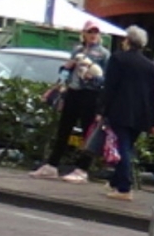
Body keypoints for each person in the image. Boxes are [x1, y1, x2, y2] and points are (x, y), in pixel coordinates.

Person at [32, 24, 110, 180]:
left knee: (87, 133)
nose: (93, 35)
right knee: (63, 129)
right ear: (84, 34)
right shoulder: (77, 51)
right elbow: (66, 73)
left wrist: (94, 78)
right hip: (73, 92)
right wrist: (62, 77)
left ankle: (82, 169)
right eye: (90, 32)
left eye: (96, 32)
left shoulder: (104, 54)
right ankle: (52, 165)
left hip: (91, 95)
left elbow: (107, 80)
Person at [95, 26, 154, 200]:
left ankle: (124, 188)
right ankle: (116, 183)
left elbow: (110, 87)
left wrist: (102, 110)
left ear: (128, 41)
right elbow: (152, 93)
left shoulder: (118, 59)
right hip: (142, 114)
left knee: (122, 147)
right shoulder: (149, 65)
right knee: (126, 147)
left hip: (121, 110)